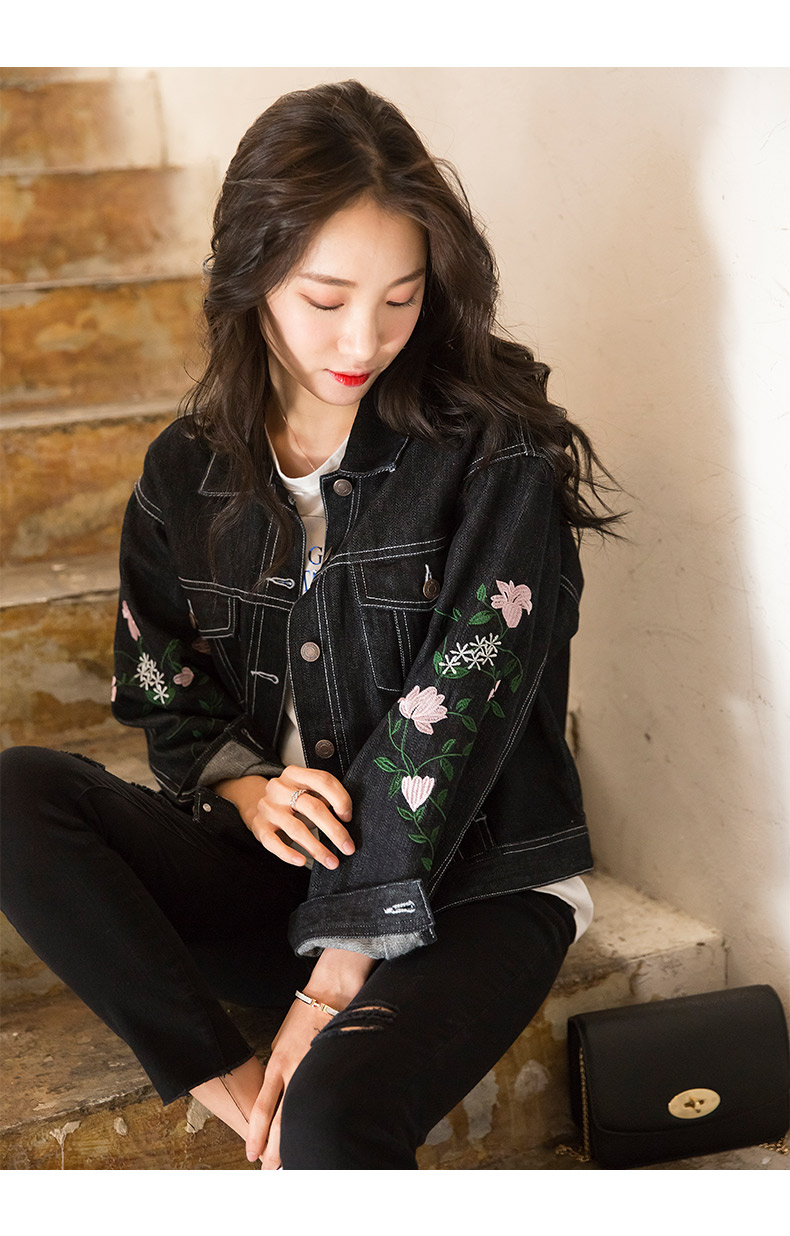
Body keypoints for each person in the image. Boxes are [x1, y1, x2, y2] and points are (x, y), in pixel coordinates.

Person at [0, 80, 620, 1170]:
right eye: (324, 298)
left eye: (401, 299)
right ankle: (242, 1101)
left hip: (467, 886)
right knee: (17, 796)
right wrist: (247, 787)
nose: (363, 338)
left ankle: (299, 1115)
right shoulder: (185, 472)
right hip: (274, 882)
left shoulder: (494, 449)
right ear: (251, 277)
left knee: (336, 1121)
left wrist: (334, 975)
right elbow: (164, 691)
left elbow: (454, 714)